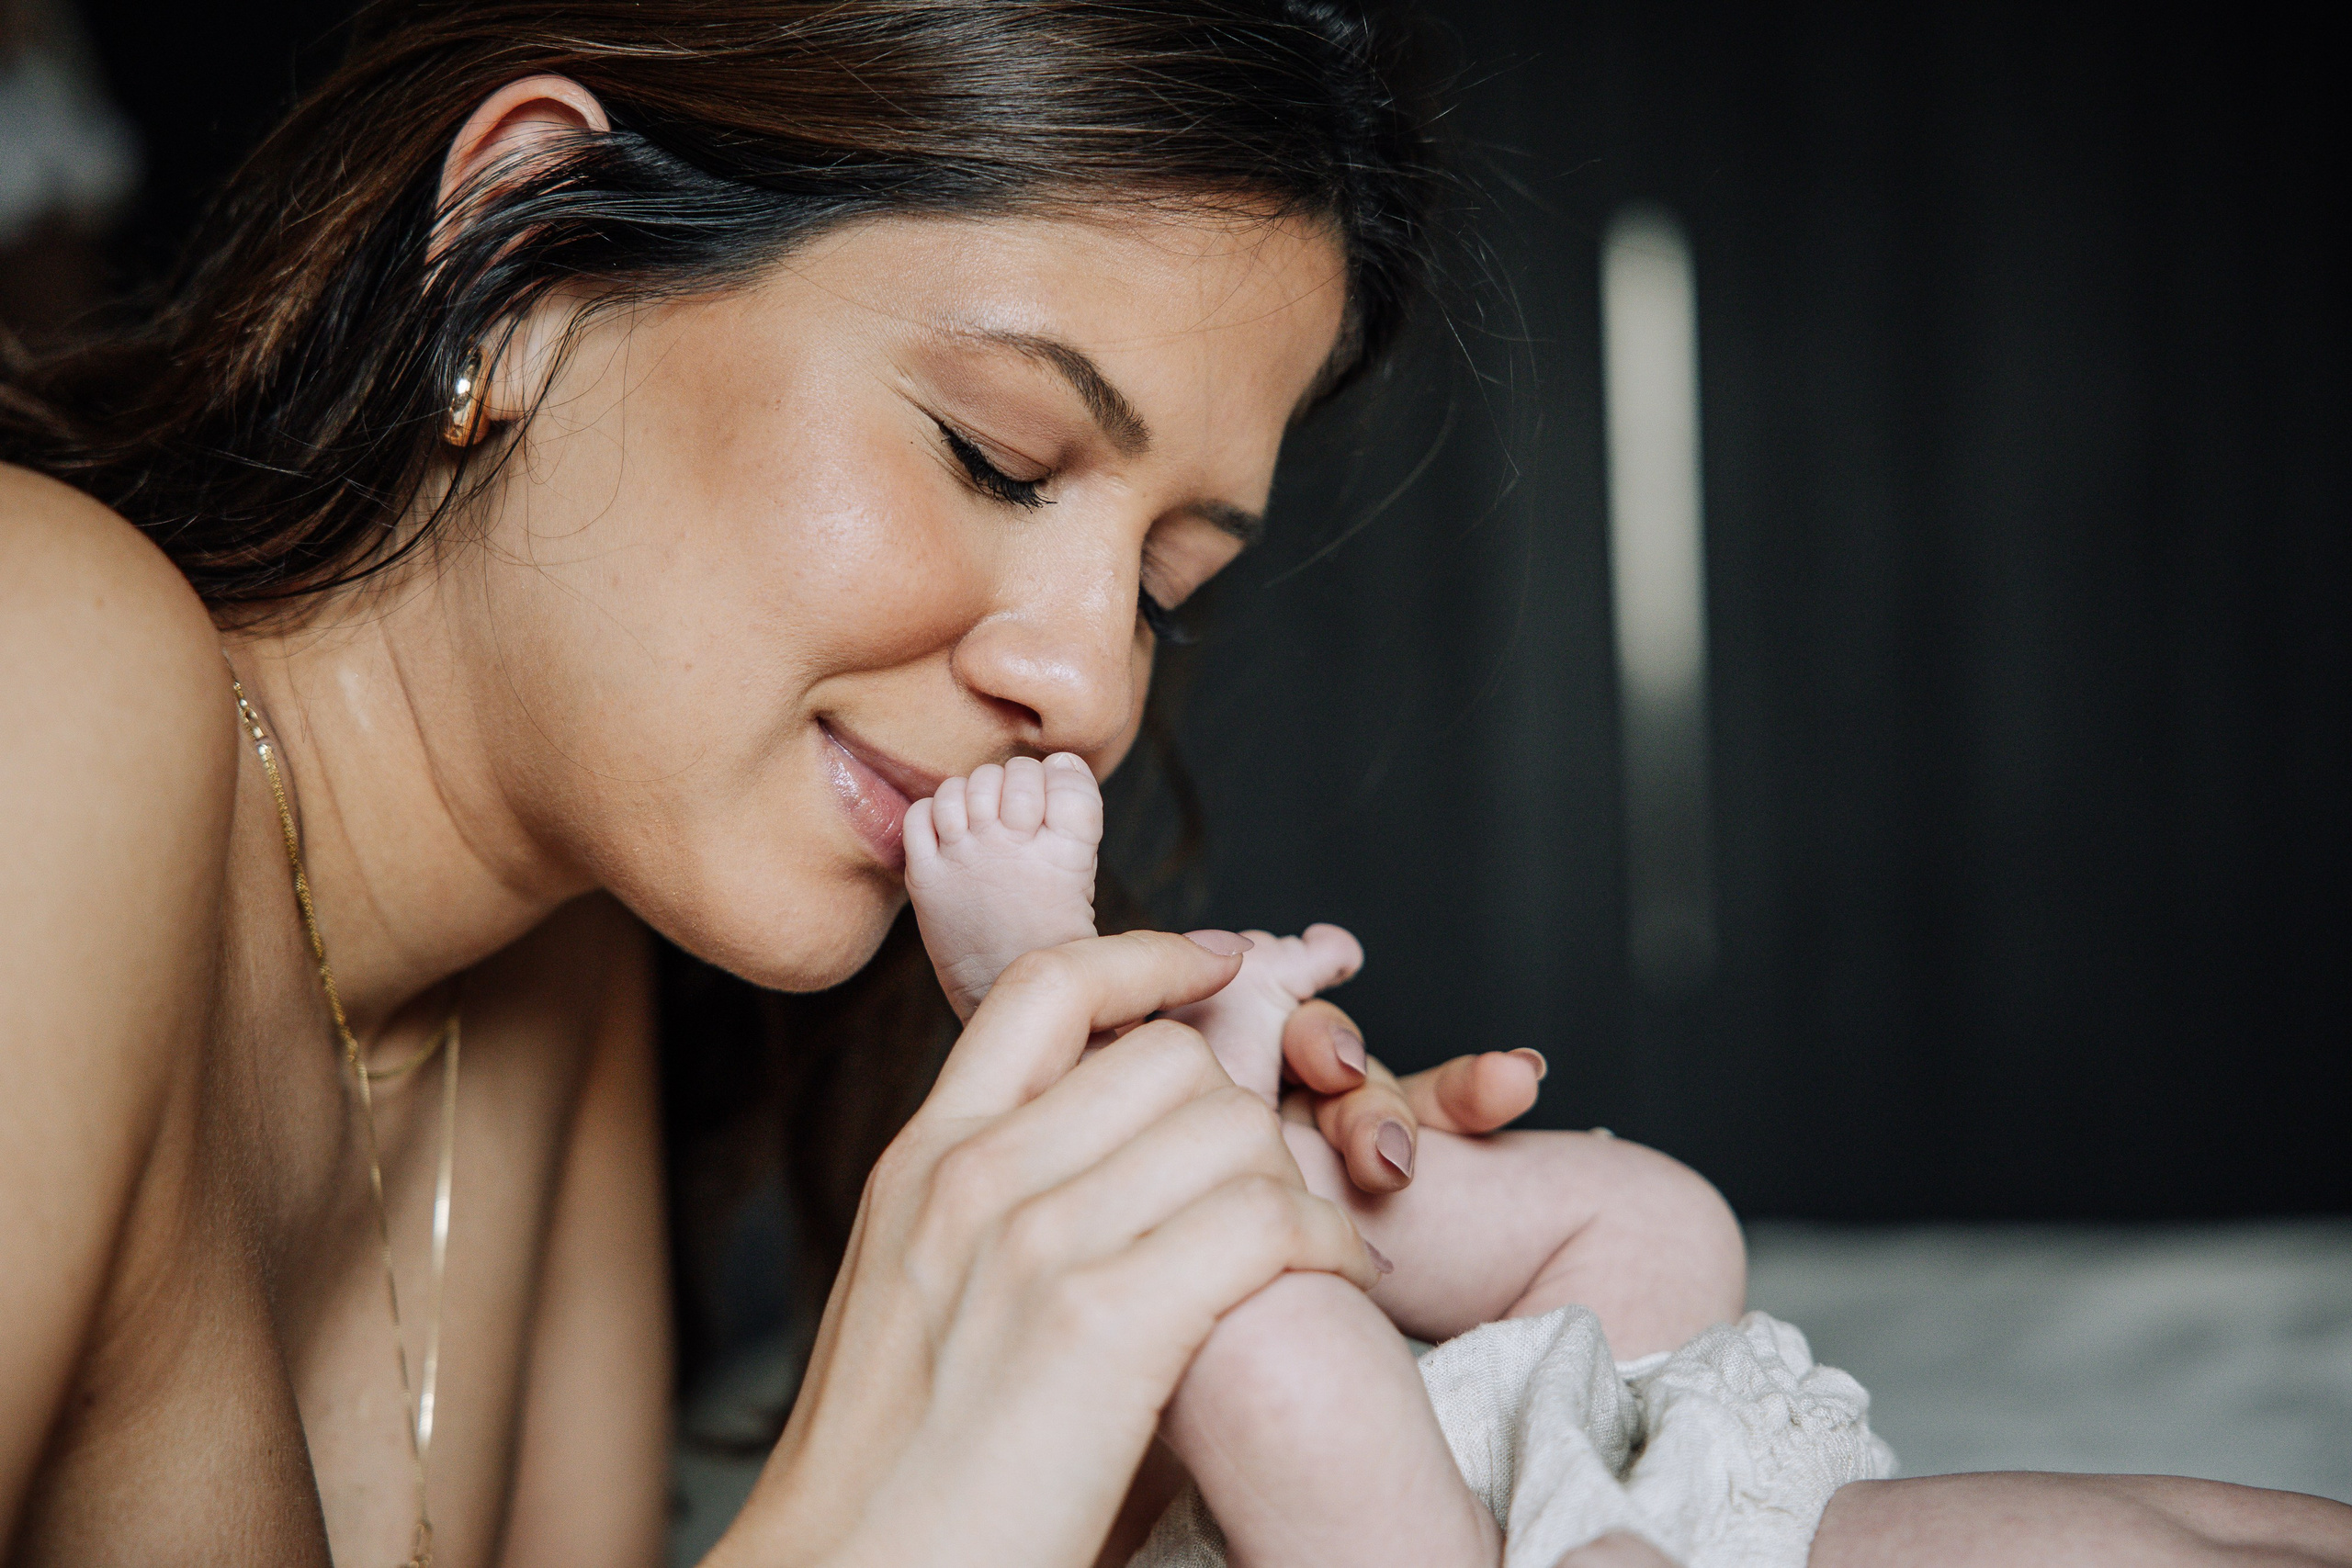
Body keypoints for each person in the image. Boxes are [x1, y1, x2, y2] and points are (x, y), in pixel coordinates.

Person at [1, 5, 2346, 1566]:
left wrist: (1187, 1391)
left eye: (1171, 582)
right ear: (513, 260)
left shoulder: (559, 984)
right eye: (994, 449)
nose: (1087, 686)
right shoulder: (45, 669)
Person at [902, 752, 1748, 1566]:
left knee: (1296, 1384)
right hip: (1703, 1501)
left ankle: (1086, 1052)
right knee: (1672, 1230)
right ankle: (1226, 1135)